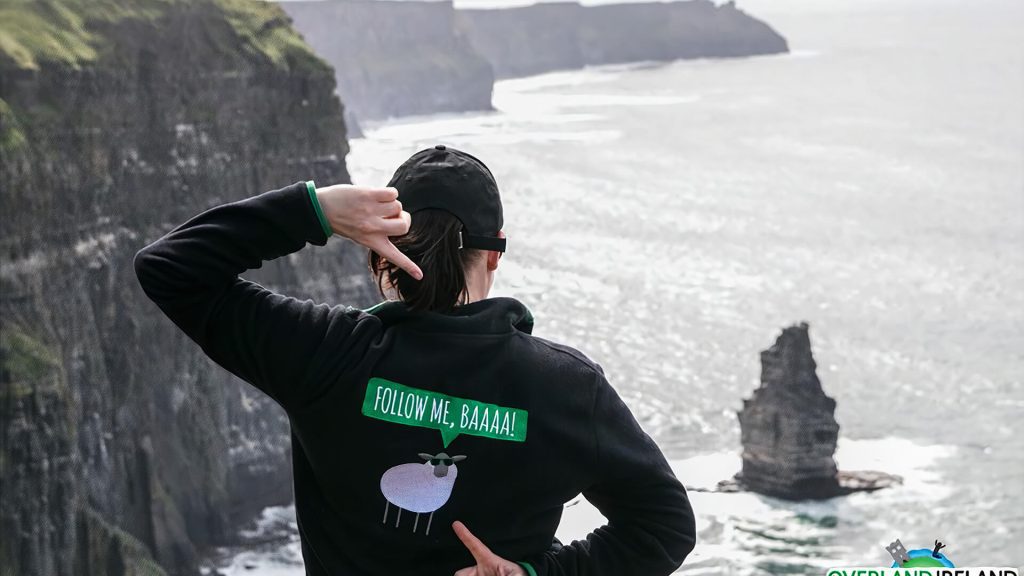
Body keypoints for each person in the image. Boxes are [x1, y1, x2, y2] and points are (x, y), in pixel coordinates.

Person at [134, 144, 696, 576]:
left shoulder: (324, 352)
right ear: (495, 251)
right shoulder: (566, 386)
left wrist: (316, 210)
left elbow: (170, 268)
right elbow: (664, 525)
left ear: (380, 253)